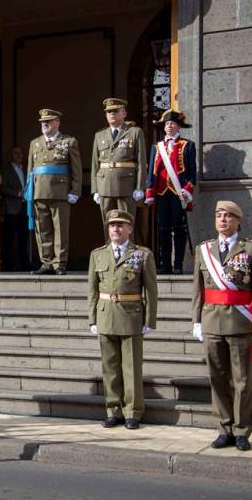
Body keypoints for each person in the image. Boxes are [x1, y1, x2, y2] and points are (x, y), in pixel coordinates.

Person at [191, 200, 252, 451]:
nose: (222, 220)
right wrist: (196, 320)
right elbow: (198, 289)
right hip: (212, 320)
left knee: (242, 380)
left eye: (228, 216)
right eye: (218, 215)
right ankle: (224, 428)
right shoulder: (203, 250)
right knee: (217, 378)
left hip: (240, 321)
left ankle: (242, 431)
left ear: (238, 220)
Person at [87, 209, 157, 430]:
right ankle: (113, 410)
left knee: (131, 367)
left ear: (129, 228)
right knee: (110, 367)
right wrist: (92, 319)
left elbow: (151, 290)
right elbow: (92, 290)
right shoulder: (97, 254)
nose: (115, 229)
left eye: (120, 225)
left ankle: (133, 412)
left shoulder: (142, 255)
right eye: (111, 225)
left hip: (131, 314)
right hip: (106, 313)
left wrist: (150, 320)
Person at [26, 109, 82, 276]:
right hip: (39, 192)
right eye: (43, 121)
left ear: (57, 122)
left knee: (60, 229)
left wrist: (75, 190)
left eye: (49, 121)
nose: (45, 124)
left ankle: (59, 263)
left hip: (60, 192)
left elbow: (76, 169)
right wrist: (29, 191)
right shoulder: (34, 143)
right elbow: (30, 170)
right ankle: (46, 262)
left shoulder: (69, 142)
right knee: (42, 230)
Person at [145, 109, 197, 274]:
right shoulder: (156, 147)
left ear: (178, 126)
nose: (169, 126)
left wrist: (188, 190)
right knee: (163, 229)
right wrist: (149, 192)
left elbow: (191, 173)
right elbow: (151, 172)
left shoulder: (187, 145)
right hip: (161, 193)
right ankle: (165, 264)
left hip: (178, 193)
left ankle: (178, 264)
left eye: (172, 123)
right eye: (167, 124)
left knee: (179, 227)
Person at [90, 98, 147, 237]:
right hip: (104, 185)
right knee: (108, 225)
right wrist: (95, 190)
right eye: (109, 111)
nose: (112, 114)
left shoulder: (134, 132)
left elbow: (141, 160)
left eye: (115, 111)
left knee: (126, 223)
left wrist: (140, 187)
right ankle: (110, 255)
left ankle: (127, 255)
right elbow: (95, 165)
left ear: (124, 113)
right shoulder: (99, 135)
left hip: (126, 185)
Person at [0, 147, 29, 271]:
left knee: (24, 238)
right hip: (11, 209)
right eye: (16, 153)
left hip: (24, 207)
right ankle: (8, 266)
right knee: (9, 239)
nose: (19, 155)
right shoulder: (5, 170)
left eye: (20, 153)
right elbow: (2, 188)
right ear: (10, 156)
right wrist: (17, 193)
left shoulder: (26, 169)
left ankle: (25, 265)